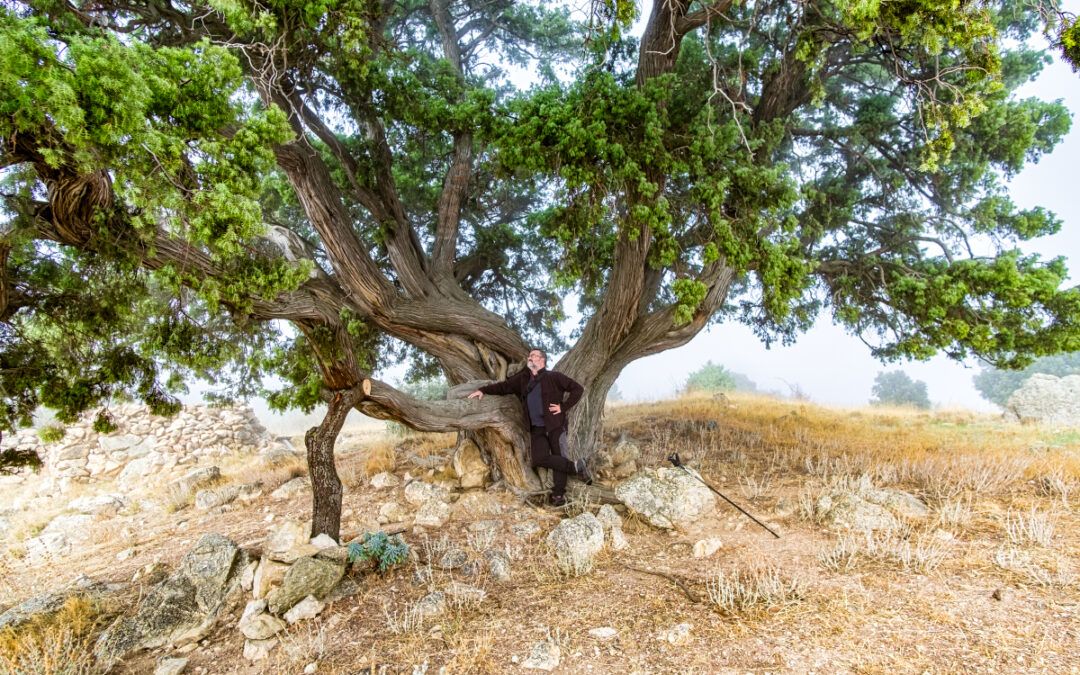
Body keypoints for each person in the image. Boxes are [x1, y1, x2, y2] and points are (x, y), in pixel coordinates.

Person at [468, 348, 591, 506]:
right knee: (539, 458)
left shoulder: (554, 377)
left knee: (559, 455)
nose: (531, 357)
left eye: (534, 355)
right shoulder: (523, 379)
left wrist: (563, 407)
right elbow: (503, 387)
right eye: (530, 355)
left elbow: (577, 389)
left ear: (542, 360)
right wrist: (482, 390)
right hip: (536, 428)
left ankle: (558, 495)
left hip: (556, 425)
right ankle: (576, 467)